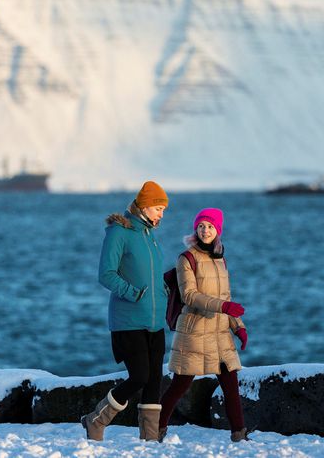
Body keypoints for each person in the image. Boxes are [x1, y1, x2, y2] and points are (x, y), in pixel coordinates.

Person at [81, 181, 169, 441]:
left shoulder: (149, 235)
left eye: (163, 209)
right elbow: (106, 274)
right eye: (157, 208)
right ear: (143, 206)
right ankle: (95, 420)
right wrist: (133, 293)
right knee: (139, 376)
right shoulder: (119, 231)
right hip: (128, 320)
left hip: (155, 321)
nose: (161, 214)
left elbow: (150, 275)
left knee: (154, 380)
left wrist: (163, 289)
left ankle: (150, 439)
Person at [158, 208, 250, 442]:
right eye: (201, 226)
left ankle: (239, 434)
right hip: (194, 332)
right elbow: (189, 295)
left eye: (210, 226)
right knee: (179, 386)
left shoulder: (220, 259)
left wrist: (238, 327)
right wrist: (223, 307)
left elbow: (226, 297)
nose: (205, 230)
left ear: (217, 230)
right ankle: (155, 429)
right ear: (196, 230)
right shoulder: (186, 258)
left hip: (219, 333)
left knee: (231, 386)